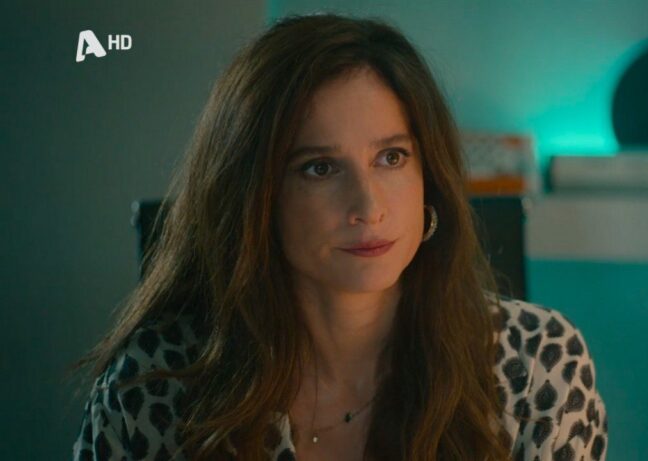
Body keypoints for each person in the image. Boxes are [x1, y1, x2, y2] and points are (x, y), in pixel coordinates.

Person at [71, 13, 608, 461]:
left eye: (391, 157)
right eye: (320, 168)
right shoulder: (155, 387)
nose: (369, 207)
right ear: (253, 196)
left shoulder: (536, 367)